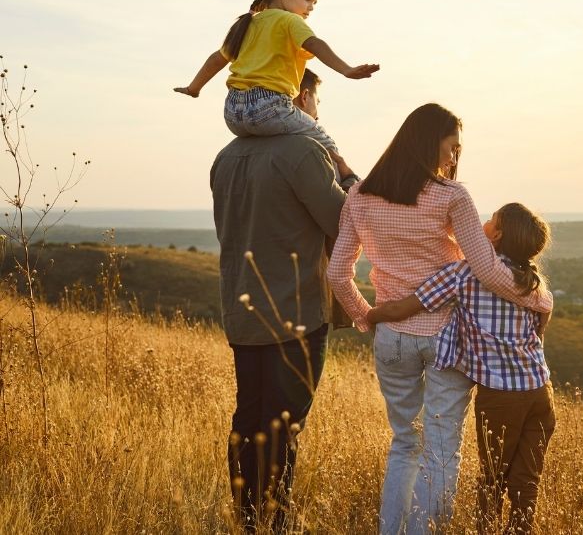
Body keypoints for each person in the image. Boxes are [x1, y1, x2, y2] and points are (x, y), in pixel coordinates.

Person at [325, 104, 553, 535]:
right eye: (452, 148)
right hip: (448, 340)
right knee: (442, 451)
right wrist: (539, 299)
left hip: (392, 336)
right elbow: (486, 269)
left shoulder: (359, 197)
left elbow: (337, 273)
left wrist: (365, 317)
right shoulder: (452, 197)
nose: (454, 159)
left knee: (405, 442)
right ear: (431, 142)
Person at [211, 75, 349, 530]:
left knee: (248, 417)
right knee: (283, 427)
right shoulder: (306, 152)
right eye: (317, 100)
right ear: (302, 97)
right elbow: (344, 223)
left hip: (242, 309)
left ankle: (246, 516)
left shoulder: (225, 158)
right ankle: (272, 522)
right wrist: (347, 174)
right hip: (297, 313)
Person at [368, 202, 555, 535]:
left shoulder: (463, 274)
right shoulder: (532, 282)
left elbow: (406, 306)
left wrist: (371, 315)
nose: (483, 222)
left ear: (496, 235)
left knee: (493, 479)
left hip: (501, 397)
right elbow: (543, 319)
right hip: (541, 393)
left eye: (491, 219)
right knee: (526, 482)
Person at [175, 0, 378, 188]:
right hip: (269, 107)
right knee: (323, 139)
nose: (310, 7)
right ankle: (349, 191)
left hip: (232, 113)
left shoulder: (245, 24)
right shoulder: (290, 20)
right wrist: (346, 69)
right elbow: (315, 44)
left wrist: (194, 89)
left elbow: (216, 60)